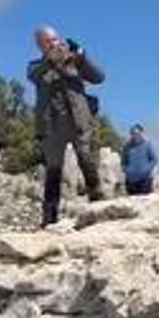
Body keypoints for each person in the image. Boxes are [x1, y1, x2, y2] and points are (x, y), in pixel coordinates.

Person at [27, 25, 106, 226]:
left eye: (55, 39)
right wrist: (51, 61)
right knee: (53, 171)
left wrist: (82, 56)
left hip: (79, 121)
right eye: (48, 41)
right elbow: (34, 77)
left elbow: (99, 77)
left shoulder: (74, 62)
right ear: (40, 45)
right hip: (52, 126)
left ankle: (98, 205)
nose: (54, 44)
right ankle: (49, 218)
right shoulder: (35, 67)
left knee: (86, 158)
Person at [121, 124, 158, 195]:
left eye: (137, 133)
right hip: (131, 181)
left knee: (145, 200)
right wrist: (127, 171)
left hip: (145, 180)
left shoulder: (148, 144)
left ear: (142, 133)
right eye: (133, 133)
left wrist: (147, 169)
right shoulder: (127, 146)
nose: (135, 135)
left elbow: (154, 159)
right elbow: (123, 162)